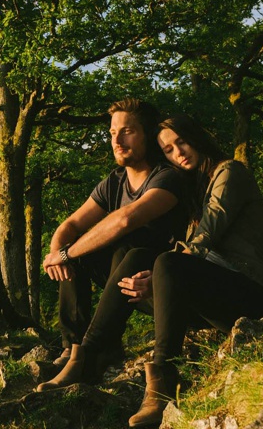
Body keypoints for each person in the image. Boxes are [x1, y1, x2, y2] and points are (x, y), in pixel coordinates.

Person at [119, 114, 263, 429]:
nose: (179, 152)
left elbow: (208, 231)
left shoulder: (230, 171)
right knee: (133, 258)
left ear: (197, 137)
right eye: (167, 150)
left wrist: (165, 272)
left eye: (182, 142)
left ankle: (162, 379)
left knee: (167, 263)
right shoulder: (192, 192)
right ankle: (88, 351)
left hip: (251, 292)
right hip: (216, 298)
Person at [37, 97, 189, 391]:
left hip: (154, 283)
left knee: (126, 247)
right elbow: (71, 225)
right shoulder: (114, 181)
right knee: (77, 256)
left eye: (127, 131)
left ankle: (95, 353)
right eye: (112, 133)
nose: (117, 140)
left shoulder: (168, 178)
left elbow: (124, 220)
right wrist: (58, 253)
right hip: (121, 279)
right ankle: (73, 348)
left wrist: (65, 253)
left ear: (147, 135)